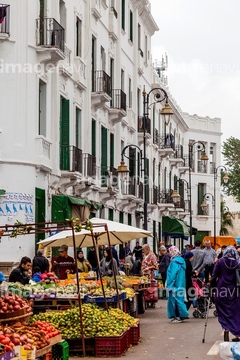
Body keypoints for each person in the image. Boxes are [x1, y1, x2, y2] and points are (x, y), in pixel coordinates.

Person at [210, 246, 240, 342]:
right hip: (234, 292)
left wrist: (212, 287)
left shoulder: (220, 262)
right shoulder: (238, 263)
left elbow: (214, 276)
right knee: (234, 312)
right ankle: (236, 333)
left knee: (222, 311)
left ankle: (226, 327)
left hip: (221, 290)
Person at [166, 246, 189, 323]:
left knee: (174, 301)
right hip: (181, 283)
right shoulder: (181, 261)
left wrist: (169, 285)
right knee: (180, 300)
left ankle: (177, 317)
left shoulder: (174, 262)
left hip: (175, 285)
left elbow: (172, 275)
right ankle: (182, 315)